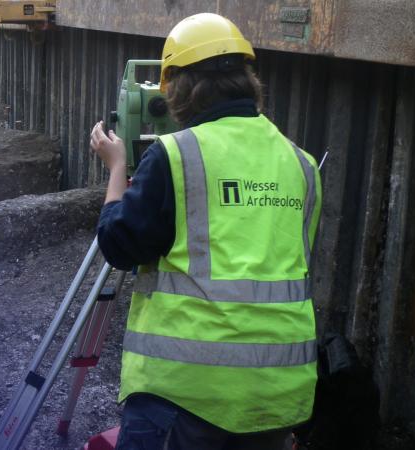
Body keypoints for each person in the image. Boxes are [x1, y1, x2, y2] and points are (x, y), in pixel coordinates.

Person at [89, 13, 322, 450]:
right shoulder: (303, 165)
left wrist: (118, 167)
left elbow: (118, 246)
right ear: (248, 81)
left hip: (189, 393)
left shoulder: (176, 155)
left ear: (177, 86)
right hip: (279, 396)